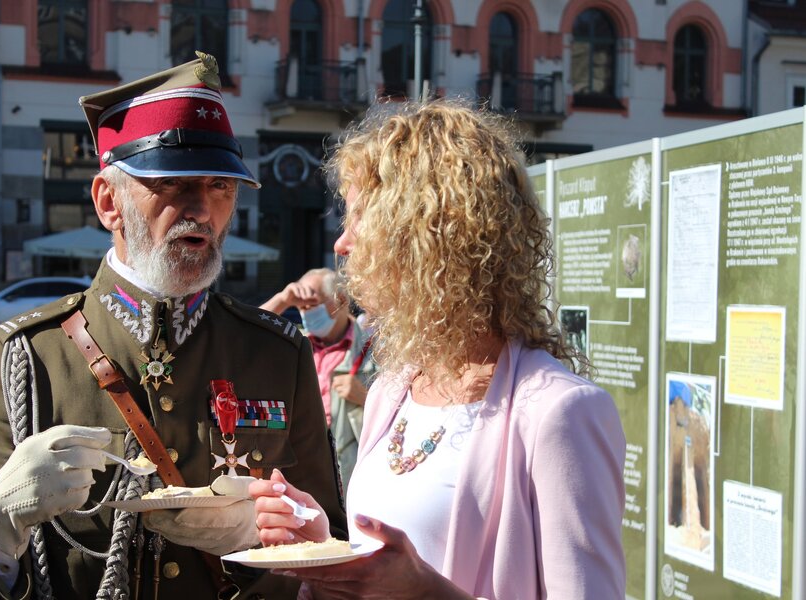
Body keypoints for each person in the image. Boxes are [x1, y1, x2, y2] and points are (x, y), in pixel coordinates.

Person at [0, 52, 346, 600]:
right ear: (109, 202)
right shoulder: (27, 359)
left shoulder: (277, 354)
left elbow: (331, 560)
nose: (202, 209)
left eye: (220, 187)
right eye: (175, 185)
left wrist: (291, 541)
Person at [249, 100, 626, 599]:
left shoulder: (559, 411)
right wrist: (324, 546)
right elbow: (388, 565)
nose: (342, 242)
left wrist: (427, 593)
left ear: (425, 231)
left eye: (360, 215)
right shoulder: (393, 390)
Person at [261, 269, 377, 495]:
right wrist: (282, 300)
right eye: (300, 306)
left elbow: (404, 414)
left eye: (312, 303)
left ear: (341, 300)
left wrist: (365, 397)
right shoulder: (295, 343)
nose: (306, 312)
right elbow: (245, 335)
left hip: (348, 473)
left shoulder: (374, 350)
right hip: (298, 466)